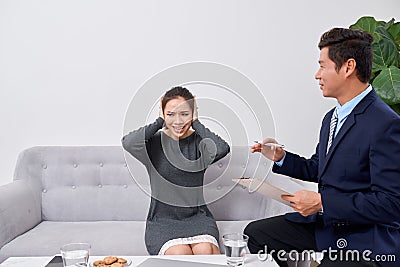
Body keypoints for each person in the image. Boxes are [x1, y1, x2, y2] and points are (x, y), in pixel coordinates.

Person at [244, 28, 400, 266]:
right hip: (329, 227)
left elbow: (390, 204)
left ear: (348, 67)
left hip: (365, 238)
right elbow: (319, 168)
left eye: (323, 66)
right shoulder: (331, 118)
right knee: (256, 234)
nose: (317, 75)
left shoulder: (385, 123)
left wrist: (322, 202)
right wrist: (281, 158)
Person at [122, 86, 230, 255]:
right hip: (163, 222)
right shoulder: (152, 145)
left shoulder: (199, 144)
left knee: (205, 251)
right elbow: (128, 142)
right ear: (163, 114)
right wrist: (159, 121)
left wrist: (196, 123)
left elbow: (222, 149)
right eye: (171, 114)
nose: (178, 122)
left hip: (198, 219)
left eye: (184, 114)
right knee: (180, 254)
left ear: (193, 113)